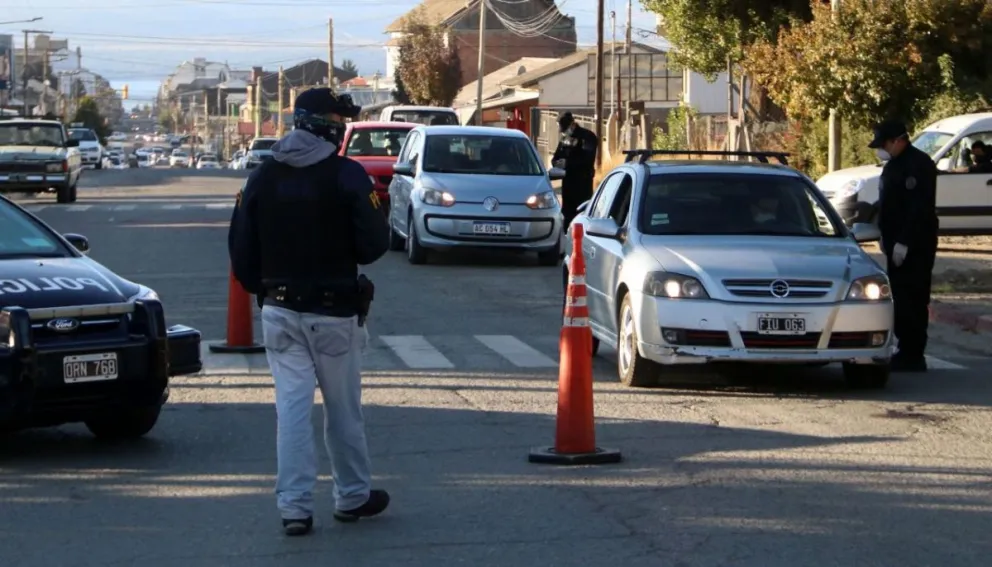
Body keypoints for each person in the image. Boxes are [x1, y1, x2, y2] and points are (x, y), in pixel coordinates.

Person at [228, 87, 391, 536]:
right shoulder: (347, 174)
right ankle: (352, 495)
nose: (342, 128)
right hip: (335, 311)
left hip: (280, 309)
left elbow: (241, 250)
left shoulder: (262, 176)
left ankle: (294, 509)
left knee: (292, 413)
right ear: (328, 127)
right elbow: (374, 245)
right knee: (343, 412)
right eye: (339, 120)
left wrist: (264, 289)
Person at [870, 119, 939, 372]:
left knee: (914, 296)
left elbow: (919, 209)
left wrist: (905, 241)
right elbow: (888, 203)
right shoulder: (894, 165)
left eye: (884, 144)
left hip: (915, 244)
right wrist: (884, 235)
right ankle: (905, 348)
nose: (882, 150)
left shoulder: (919, 164)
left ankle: (913, 353)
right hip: (895, 242)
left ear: (898, 140)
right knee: (900, 296)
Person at [551, 112, 599, 228]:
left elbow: (587, 160)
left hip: (582, 184)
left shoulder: (588, 137)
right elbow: (555, 158)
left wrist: (567, 163)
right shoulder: (565, 138)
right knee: (567, 217)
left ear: (572, 125)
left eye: (564, 129)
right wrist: (557, 163)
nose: (562, 132)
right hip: (568, 184)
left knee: (581, 217)